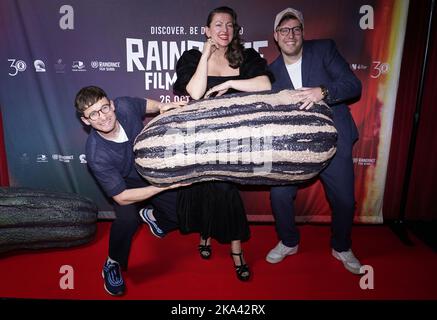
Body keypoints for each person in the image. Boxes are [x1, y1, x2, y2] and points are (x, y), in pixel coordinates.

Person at [173, 6, 273, 281]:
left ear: (235, 29)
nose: (224, 30)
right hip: (200, 136)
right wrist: (205, 56)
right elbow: (194, 92)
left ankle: (237, 250)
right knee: (204, 187)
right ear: (207, 31)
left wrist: (231, 82)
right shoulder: (193, 57)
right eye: (218, 25)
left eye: (229, 25)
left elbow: (265, 84)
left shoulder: (245, 56)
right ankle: (205, 235)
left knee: (225, 190)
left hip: (234, 137)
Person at [266, 8, 363, 274]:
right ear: (276, 36)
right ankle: (289, 241)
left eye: (296, 29)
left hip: (334, 137)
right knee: (279, 195)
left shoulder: (324, 50)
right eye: (284, 30)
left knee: (344, 200)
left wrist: (323, 91)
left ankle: (341, 247)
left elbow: (353, 85)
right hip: (296, 146)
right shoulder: (271, 72)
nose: (290, 35)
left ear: (303, 32)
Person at [74, 85, 186, 296]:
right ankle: (112, 262)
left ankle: (153, 217)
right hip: (125, 184)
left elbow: (144, 104)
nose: (103, 117)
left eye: (105, 108)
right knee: (128, 221)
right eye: (93, 114)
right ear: (86, 121)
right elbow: (122, 197)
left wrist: (162, 106)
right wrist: (163, 186)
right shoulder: (96, 154)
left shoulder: (125, 106)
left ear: (113, 105)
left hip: (150, 170)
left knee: (181, 211)